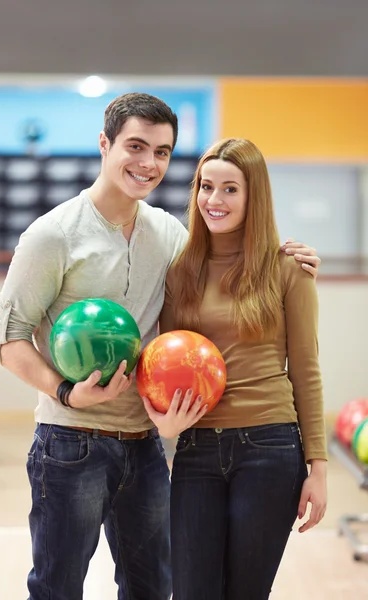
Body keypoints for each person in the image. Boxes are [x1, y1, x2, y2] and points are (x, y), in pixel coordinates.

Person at [0, 94, 321, 600]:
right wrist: (66, 392)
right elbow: (6, 339)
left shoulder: (168, 234)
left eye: (162, 152)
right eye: (136, 146)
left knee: (151, 588)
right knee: (57, 588)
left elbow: (228, 248)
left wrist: (280, 251)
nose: (148, 164)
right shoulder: (51, 235)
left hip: (145, 442)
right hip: (71, 441)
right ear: (105, 144)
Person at [142, 138, 327, 600]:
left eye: (230, 189)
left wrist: (318, 469)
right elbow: (166, 361)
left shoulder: (288, 269)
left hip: (270, 448)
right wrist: (161, 421)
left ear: (253, 197)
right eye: (206, 186)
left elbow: (305, 370)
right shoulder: (181, 270)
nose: (214, 200)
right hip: (197, 448)